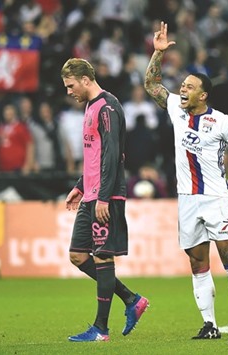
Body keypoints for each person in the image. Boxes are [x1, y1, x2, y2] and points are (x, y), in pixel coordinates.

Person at [144, 22, 228, 340]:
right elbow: (152, 84)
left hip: (216, 196)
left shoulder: (222, 122)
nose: (183, 89)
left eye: (189, 86)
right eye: (183, 85)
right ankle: (210, 325)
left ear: (203, 95)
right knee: (197, 262)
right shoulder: (175, 107)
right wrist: (157, 53)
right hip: (186, 198)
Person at [61, 58, 149, 342]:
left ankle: (100, 329)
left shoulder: (107, 107)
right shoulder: (90, 107)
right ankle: (131, 299)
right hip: (91, 192)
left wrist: (103, 196)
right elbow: (93, 155)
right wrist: (80, 186)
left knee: (102, 256)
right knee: (78, 255)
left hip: (105, 195)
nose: (69, 91)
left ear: (85, 79)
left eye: (71, 85)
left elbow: (112, 155)